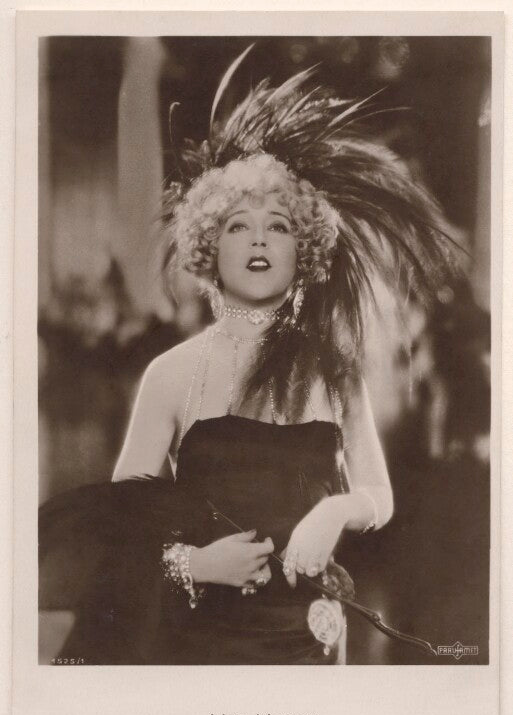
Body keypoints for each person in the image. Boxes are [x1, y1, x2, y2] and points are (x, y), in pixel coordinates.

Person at [39, 48, 456, 665]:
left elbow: (379, 495)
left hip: (310, 642)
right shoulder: (171, 375)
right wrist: (196, 564)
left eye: (279, 225)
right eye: (238, 225)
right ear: (209, 246)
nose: (259, 237)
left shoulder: (334, 370)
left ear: (303, 251)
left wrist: (337, 510)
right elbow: (121, 527)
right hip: (200, 645)